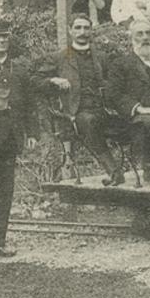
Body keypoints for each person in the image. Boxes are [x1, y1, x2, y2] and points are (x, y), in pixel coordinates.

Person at [33, 14, 120, 185]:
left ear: (91, 30)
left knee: (134, 122)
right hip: (76, 112)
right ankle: (115, 172)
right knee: (89, 122)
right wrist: (53, 80)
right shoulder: (59, 57)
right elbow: (35, 80)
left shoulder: (101, 57)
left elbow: (115, 82)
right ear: (70, 30)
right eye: (78, 28)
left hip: (104, 109)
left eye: (86, 28)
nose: (82, 32)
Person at [107, 19, 150, 185]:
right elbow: (114, 94)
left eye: (148, 33)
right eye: (140, 34)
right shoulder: (121, 64)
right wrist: (138, 108)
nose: (145, 37)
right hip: (136, 117)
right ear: (132, 38)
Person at [0, 20, 37, 257]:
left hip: (9, 138)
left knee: (4, 191)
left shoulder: (19, 70)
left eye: (5, 37)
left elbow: (31, 105)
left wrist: (32, 133)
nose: (1, 41)